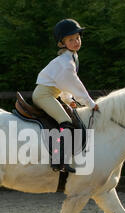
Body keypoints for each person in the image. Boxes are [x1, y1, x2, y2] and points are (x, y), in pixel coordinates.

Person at [33, 18, 99, 173]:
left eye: (77, 38)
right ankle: (58, 160)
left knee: (69, 119)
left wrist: (68, 100)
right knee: (66, 123)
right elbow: (75, 84)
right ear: (62, 43)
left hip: (50, 94)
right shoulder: (66, 62)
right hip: (44, 96)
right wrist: (90, 103)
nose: (76, 41)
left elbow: (63, 84)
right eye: (71, 39)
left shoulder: (70, 58)